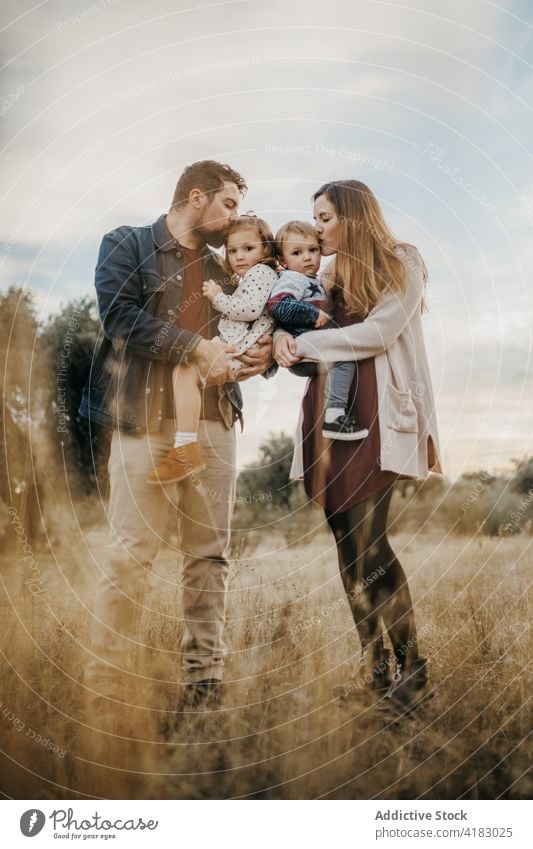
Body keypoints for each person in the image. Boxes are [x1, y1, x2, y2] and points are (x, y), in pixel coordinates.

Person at [79, 160, 274, 720]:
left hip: (215, 423)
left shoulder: (228, 266)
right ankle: (105, 684)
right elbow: (118, 318)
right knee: (132, 552)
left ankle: (204, 683)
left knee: (209, 556)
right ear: (197, 196)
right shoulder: (128, 244)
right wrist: (192, 345)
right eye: (230, 204)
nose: (236, 218)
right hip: (143, 419)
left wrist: (265, 358)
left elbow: (254, 324)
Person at [273, 180, 442, 714]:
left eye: (324, 217)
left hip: (374, 412)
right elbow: (294, 340)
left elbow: (379, 331)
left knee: (371, 544)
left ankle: (413, 674)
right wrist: (280, 337)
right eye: (314, 219)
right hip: (325, 415)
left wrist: (300, 342)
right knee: (346, 547)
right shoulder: (322, 275)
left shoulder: (402, 260)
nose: (317, 228)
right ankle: (374, 672)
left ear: (352, 214)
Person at [147, 215, 278, 485]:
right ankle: (186, 447)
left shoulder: (261, 273)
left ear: (266, 249)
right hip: (234, 347)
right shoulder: (252, 275)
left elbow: (249, 309)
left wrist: (217, 297)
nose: (239, 257)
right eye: (232, 251)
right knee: (187, 374)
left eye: (248, 249)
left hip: (235, 350)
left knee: (185, 370)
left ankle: (185, 448)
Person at [268, 220, 368, 441]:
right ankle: (334, 417)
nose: (307, 257)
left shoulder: (313, 279)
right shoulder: (292, 278)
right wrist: (312, 314)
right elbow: (278, 306)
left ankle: (334, 411)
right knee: (343, 357)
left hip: (310, 344)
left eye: (312, 250)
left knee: (340, 360)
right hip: (302, 344)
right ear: (282, 261)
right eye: (297, 252)